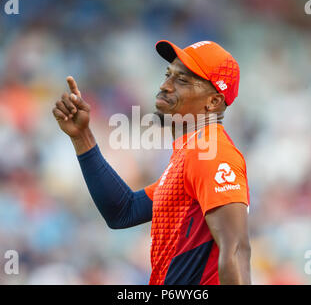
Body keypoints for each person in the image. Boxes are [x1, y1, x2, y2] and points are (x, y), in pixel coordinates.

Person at [52, 40, 251, 285]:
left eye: (182, 80)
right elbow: (123, 212)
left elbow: (237, 250)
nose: (165, 85)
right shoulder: (192, 153)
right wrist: (82, 136)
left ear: (213, 102)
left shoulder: (213, 153)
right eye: (168, 74)